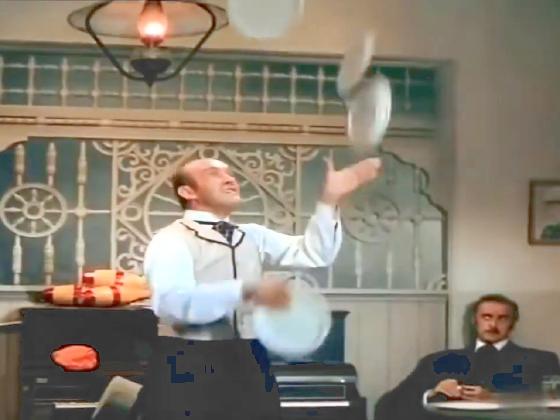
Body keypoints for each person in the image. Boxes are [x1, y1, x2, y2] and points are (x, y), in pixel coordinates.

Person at [134, 156, 382, 420]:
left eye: (230, 173)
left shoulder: (251, 234)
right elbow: (172, 303)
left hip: (248, 358)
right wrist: (246, 290)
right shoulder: (171, 239)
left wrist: (329, 200)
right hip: (186, 362)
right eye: (213, 173)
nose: (230, 179)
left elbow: (314, 253)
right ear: (188, 191)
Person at [374, 294, 560, 420]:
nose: (493, 324)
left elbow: (553, 404)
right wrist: (431, 393)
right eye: (487, 317)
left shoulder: (541, 361)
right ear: (475, 320)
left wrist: (497, 398)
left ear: (513, 323)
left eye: (502, 318)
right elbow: (387, 406)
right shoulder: (438, 361)